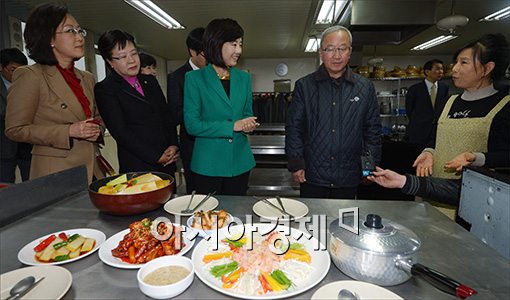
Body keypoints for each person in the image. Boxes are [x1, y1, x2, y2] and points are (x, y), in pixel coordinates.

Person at [5, 4, 103, 183]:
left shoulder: (87, 77)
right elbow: (15, 129)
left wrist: (97, 129)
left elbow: (97, 117)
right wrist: (68, 131)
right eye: (70, 31)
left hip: (92, 168)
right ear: (49, 38)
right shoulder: (31, 76)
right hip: (56, 173)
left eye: (80, 31)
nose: (79, 37)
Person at [285, 25, 382, 199]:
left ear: (350, 51)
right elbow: (294, 128)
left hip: (349, 175)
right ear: (321, 53)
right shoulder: (304, 86)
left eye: (342, 48)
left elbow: (372, 131)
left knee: (344, 224)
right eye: (330, 49)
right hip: (312, 175)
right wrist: (296, 163)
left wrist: (369, 167)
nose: (336, 55)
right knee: (313, 224)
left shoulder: (365, 88)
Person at [413, 33, 509, 180]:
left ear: (487, 68)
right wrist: (429, 152)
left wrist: (476, 158)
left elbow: (505, 155)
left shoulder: (505, 106)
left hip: (475, 195)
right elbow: (434, 139)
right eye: (456, 62)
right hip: (435, 191)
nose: (455, 69)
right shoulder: (447, 102)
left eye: (463, 63)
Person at [184, 18, 257, 195]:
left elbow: (247, 114)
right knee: (209, 219)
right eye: (234, 44)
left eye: (240, 44)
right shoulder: (194, 79)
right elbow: (192, 125)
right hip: (208, 165)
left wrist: (248, 125)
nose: (239, 50)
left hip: (240, 163)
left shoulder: (244, 78)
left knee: (237, 217)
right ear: (216, 44)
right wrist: (233, 126)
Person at [95, 30, 179, 178]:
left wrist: (173, 144)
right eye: (122, 57)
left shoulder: (150, 81)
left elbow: (166, 115)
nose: (131, 60)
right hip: (139, 167)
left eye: (134, 53)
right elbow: (121, 132)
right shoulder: (106, 89)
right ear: (110, 61)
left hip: (167, 163)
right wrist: (156, 156)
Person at [167, 27, 206, 194]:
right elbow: (174, 114)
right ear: (192, 51)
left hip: (215, 144)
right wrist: (200, 109)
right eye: (206, 54)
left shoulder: (216, 74)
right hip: (192, 144)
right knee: (196, 190)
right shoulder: (177, 77)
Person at [1, 48, 31, 183]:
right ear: (2, 67)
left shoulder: (29, 86)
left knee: (32, 182)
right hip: (4, 146)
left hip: (27, 143)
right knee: (6, 186)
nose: (18, 74)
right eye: (13, 70)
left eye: (22, 70)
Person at [405, 59, 449, 150]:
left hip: (437, 132)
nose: (440, 72)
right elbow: (409, 110)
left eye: (442, 69)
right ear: (427, 71)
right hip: (418, 131)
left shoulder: (444, 87)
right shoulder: (414, 89)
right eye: (437, 69)